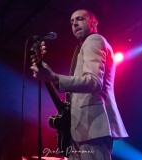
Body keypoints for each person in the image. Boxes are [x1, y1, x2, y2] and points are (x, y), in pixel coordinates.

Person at [30, 9, 128, 160]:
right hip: (81, 128)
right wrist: (51, 78)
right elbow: (80, 89)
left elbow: (94, 82)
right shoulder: (82, 47)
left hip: (93, 126)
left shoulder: (94, 40)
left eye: (80, 19)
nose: (74, 23)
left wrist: (55, 77)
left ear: (94, 23)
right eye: (71, 21)